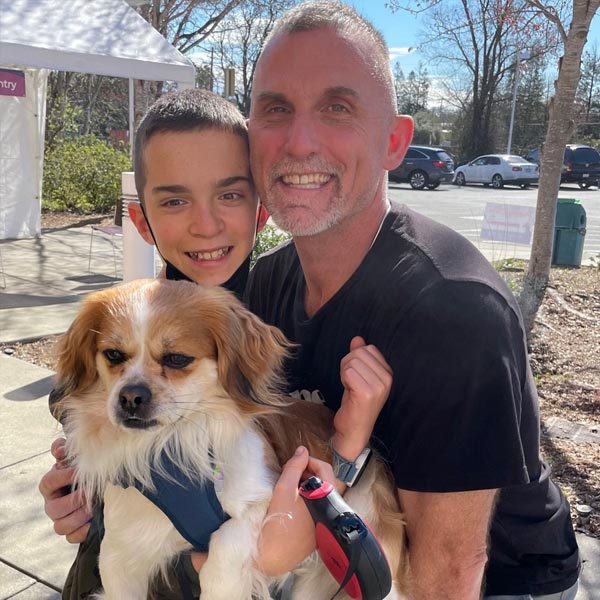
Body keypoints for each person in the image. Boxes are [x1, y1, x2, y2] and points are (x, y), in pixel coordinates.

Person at [243, 2, 581, 600]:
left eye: (337, 108)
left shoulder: (452, 311)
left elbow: (450, 573)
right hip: (346, 550)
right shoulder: (267, 285)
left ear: (395, 142)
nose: (298, 141)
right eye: (275, 109)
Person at [39, 87, 392, 599]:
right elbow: (78, 408)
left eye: (229, 194)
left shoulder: (282, 302)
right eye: (175, 199)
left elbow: (282, 520)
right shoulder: (107, 320)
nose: (205, 224)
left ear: (261, 210)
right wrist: (76, 494)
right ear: (141, 220)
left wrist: (347, 446)